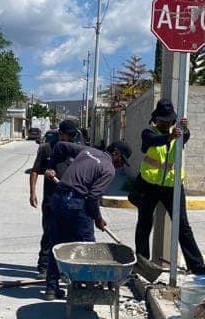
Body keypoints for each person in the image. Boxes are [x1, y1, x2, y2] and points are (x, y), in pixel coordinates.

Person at [42, 138, 132, 300]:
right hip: (77, 204)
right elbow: (92, 198)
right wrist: (98, 218)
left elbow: (60, 146)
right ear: (116, 154)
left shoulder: (88, 151)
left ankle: (51, 289)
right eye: (122, 160)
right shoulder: (108, 169)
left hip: (58, 198)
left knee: (56, 244)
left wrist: (51, 167)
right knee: (88, 247)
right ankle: (86, 290)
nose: (121, 165)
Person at [133, 98, 205, 275]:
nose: (166, 124)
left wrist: (185, 128)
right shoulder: (149, 133)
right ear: (156, 119)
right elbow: (155, 141)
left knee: (183, 227)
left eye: (169, 121)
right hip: (149, 185)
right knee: (144, 224)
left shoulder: (178, 133)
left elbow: (186, 136)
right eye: (162, 120)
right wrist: (170, 136)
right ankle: (143, 263)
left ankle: (197, 266)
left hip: (173, 186)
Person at [29, 122, 79, 279]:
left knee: (68, 234)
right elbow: (35, 170)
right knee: (49, 232)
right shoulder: (46, 149)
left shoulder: (75, 150)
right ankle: (44, 267)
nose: (70, 139)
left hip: (70, 199)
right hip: (51, 199)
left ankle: (64, 268)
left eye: (73, 136)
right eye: (68, 135)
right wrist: (33, 193)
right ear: (60, 133)